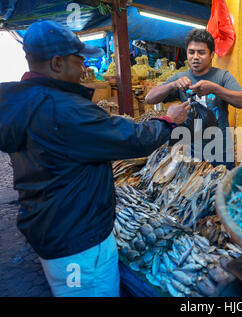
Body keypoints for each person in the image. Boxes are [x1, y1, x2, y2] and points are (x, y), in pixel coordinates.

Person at [0, 20, 190, 297]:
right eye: (79, 62)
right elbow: (133, 138)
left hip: (48, 225)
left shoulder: (23, 102)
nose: (85, 69)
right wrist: (168, 121)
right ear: (57, 64)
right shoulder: (65, 110)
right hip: (77, 243)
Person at [145, 29, 242, 170]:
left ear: (212, 54)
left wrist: (214, 88)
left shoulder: (222, 76)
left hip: (222, 151)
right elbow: (149, 98)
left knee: (221, 190)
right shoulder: (179, 78)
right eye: (191, 52)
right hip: (193, 150)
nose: (195, 57)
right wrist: (173, 85)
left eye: (201, 52)